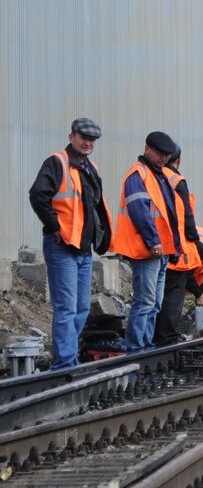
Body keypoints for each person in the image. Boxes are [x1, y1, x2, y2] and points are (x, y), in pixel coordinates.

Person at [28, 118, 112, 370]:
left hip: (83, 249)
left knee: (81, 308)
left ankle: (69, 356)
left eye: (92, 140)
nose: (88, 143)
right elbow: (38, 195)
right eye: (83, 137)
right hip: (62, 247)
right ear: (71, 137)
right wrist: (55, 227)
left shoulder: (90, 167)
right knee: (66, 308)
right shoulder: (57, 162)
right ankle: (64, 363)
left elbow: (94, 206)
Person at [112, 131, 186, 353]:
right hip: (147, 250)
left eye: (166, 155)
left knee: (154, 303)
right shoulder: (138, 175)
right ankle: (136, 347)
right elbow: (139, 211)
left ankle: (146, 345)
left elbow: (168, 214)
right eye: (159, 153)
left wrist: (173, 246)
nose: (163, 158)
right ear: (147, 149)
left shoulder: (158, 175)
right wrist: (153, 241)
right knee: (145, 302)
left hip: (161, 250)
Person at [155, 150, 202, 346]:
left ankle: (152, 338)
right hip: (174, 248)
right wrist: (193, 236)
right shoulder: (176, 180)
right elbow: (186, 215)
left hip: (152, 247)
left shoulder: (150, 176)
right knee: (173, 296)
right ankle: (167, 339)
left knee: (154, 296)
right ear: (178, 161)